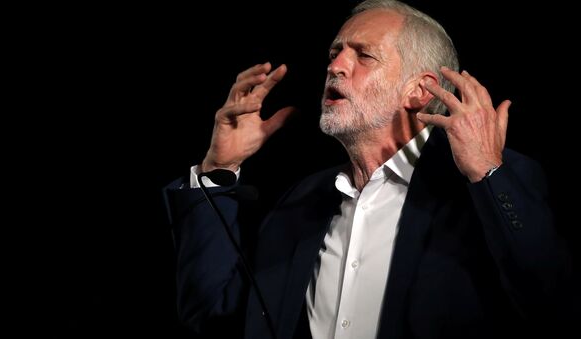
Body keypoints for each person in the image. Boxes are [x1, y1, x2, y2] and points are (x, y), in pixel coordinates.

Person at [163, 0, 572, 338]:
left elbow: (551, 302)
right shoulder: (302, 200)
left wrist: (488, 172)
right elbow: (212, 315)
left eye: (363, 55)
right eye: (334, 53)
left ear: (418, 90)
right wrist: (219, 168)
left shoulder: (484, 183)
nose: (336, 66)